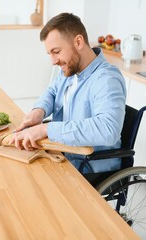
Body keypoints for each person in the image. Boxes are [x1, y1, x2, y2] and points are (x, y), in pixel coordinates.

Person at [9, 12, 126, 173]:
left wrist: (46, 129)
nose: (53, 61)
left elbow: (108, 129)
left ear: (78, 42)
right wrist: (39, 111)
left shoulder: (106, 79)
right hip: (64, 155)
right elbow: (52, 91)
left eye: (56, 52)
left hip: (88, 168)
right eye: (50, 54)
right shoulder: (71, 70)